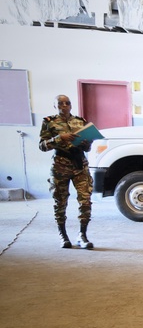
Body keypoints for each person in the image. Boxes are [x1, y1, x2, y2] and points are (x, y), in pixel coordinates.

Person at [38, 95, 95, 249]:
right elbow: (42, 146)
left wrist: (87, 143)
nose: (64, 106)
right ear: (55, 106)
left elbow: (87, 148)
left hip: (79, 164)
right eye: (60, 103)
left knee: (85, 200)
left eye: (67, 103)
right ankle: (63, 235)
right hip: (60, 165)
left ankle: (82, 235)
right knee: (60, 201)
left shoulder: (80, 121)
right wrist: (59, 138)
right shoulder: (49, 122)